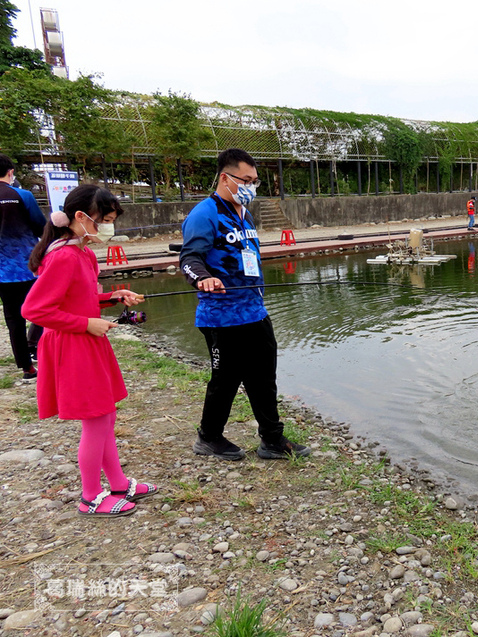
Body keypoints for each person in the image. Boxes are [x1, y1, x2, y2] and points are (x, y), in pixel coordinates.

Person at [21, 185, 157, 517]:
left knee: (105, 414)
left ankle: (119, 483)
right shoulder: (64, 255)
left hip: (87, 340)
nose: (108, 228)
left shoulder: (82, 251)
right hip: (73, 344)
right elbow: (34, 310)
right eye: (104, 220)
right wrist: (86, 324)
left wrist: (112, 298)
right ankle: (90, 496)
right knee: (96, 419)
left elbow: (75, 298)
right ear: (81, 217)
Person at [180, 148, 310, 461]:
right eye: (246, 180)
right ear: (225, 178)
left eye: (255, 181)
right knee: (225, 380)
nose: (252, 186)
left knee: (264, 378)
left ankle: (272, 440)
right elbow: (189, 258)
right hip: (220, 317)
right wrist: (203, 278)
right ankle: (208, 437)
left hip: (254, 311)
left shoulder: (244, 213)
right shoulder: (204, 214)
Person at [0, 153, 46, 379]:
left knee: (13, 318)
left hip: (0, 270)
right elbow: (41, 227)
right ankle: (38, 348)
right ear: (10, 172)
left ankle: (26, 368)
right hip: (30, 266)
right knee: (43, 311)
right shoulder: (23, 195)